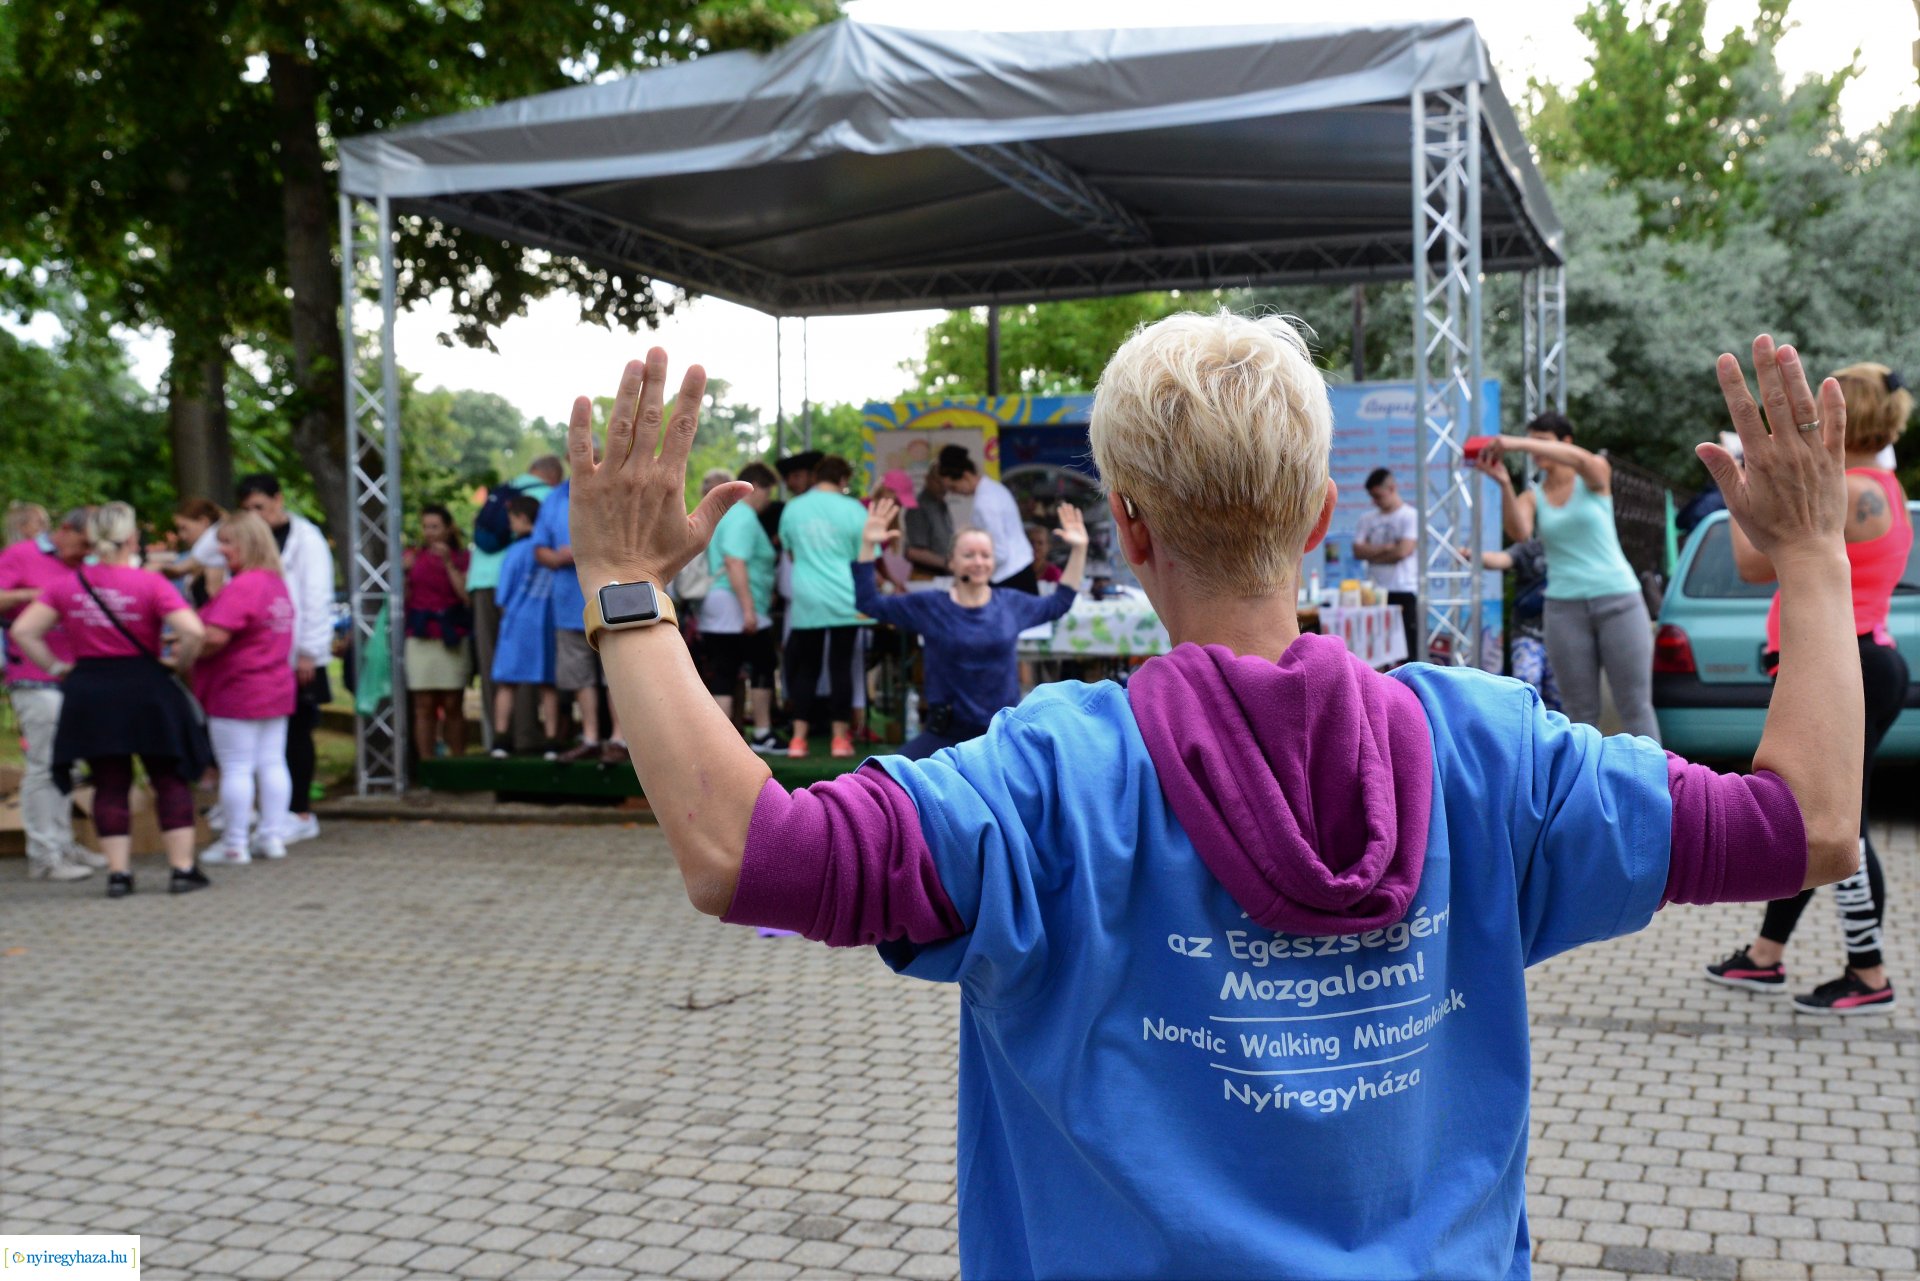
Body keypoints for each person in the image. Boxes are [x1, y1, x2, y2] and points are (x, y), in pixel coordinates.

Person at [562, 327, 1863, 1280]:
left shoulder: (1052, 782)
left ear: (1128, 528)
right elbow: (1804, 825)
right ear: (1311, 520)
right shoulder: (1492, 753)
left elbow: (744, 848)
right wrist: (1810, 553)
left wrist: (628, 584)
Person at [1705, 361, 1911, 1015]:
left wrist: (1743, 482)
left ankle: (1869, 972)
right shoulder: (1872, 483)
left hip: (1847, 663)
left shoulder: (1849, 490)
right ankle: (1767, 954)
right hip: (1850, 660)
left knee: (1836, 824)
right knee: (1808, 813)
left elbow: (1747, 561)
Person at [11, 502, 215, 898]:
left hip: (92, 690)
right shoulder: (150, 584)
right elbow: (193, 632)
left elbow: (22, 631)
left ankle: (119, 875)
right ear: (132, 537)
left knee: (109, 782)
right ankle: (181, 869)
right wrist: (176, 663)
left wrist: (57, 668)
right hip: (146, 687)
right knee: (168, 778)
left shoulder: (68, 584)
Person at [856, 496, 1086, 759]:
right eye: (969, 555)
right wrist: (868, 544)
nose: (978, 562)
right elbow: (869, 602)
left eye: (985, 555)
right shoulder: (931, 606)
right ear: (951, 562)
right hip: (944, 736)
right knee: (885, 779)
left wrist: (1078, 550)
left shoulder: (1010, 604)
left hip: (1001, 736)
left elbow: (1059, 603)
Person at [1479, 415, 1661, 740]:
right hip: (1564, 608)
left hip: (1618, 598)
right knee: (1579, 712)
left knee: (1634, 706)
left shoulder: (1593, 476)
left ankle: (1656, 787)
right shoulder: (1535, 495)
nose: (1535, 450)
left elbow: (1582, 459)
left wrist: (1516, 443)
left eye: (1543, 441)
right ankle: (1586, 789)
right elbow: (1520, 531)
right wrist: (1504, 482)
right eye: (1531, 441)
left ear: (1566, 441)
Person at [1, 508, 101, 880]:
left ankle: (63, 843)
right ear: (64, 531)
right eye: (83, 544)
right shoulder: (22, 555)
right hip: (33, 675)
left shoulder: (86, 564)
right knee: (44, 765)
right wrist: (33, 595)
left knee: (68, 765)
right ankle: (44, 854)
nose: (86, 553)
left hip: (75, 676)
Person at [192, 512, 296, 865]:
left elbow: (215, 636)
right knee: (271, 763)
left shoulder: (244, 586)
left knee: (236, 766)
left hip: (238, 687)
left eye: (227, 542)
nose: (220, 550)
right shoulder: (276, 583)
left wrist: (187, 650)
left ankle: (234, 844)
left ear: (248, 544)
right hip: (276, 685)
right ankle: (272, 836)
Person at [235, 474, 334, 843]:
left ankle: (300, 810)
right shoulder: (254, 542)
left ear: (278, 500)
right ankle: (273, 811)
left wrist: (309, 651)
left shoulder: (305, 540)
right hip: (268, 652)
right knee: (268, 737)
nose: (255, 516)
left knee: (296, 733)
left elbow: (315, 596)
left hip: (300, 653)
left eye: (260, 507)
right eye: (247, 510)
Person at [467, 456, 561, 752]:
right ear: (553, 477)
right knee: (537, 670)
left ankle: (497, 740)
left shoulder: (504, 490)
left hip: (483, 583)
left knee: (497, 669)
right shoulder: (551, 496)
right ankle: (532, 739)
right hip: (532, 599)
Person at [533, 465, 626, 763]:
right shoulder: (554, 498)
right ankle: (589, 737)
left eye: (596, 455)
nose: (588, 459)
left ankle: (620, 740)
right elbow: (539, 550)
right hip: (568, 604)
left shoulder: (618, 490)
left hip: (612, 598)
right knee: (579, 676)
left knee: (617, 672)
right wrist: (558, 556)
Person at [779, 455, 869, 758]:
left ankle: (798, 740)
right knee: (841, 667)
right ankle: (840, 740)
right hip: (846, 595)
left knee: (808, 668)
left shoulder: (793, 507)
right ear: (843, 480)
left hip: (807, 595)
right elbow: (864, 556)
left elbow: (789, 553)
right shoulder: (855, 509)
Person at [699, 462, 783, 756]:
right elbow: (736, 562)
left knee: (724, 670)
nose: (768, 499)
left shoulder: (724, 516)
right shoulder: (744, 516)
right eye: (767, 492)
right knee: (762, 665)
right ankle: (762, 731)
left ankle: (720, 743)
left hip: (716, 603)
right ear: (755, 487)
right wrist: (748, 609)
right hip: (738, 604)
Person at [488, 495, 559, 758]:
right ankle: (552, 743)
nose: (510, 525)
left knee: (506, 683)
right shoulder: (549, 550)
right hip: (545, 625)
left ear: (521, 518)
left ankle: (500, 742)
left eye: (511, 520)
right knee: (547, 685)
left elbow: (502, 596)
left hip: (516, 624)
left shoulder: (515, 552)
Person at [404, 504, 473, 762]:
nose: (430, 532)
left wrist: (447, 563)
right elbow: (405, 600)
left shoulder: (461, 557)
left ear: (447, 528)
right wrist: (405, 573)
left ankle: (457, 762)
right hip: (420, 636)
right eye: (426, 527)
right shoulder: (413, 557)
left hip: (451, 634)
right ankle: (427, 763)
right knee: (423, 705)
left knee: (453, 702)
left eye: (435, 527)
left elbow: (465, 596)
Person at [936, 445, 1036, 592]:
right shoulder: (993, 488)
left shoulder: (985, 503)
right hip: (1019, 569)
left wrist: (968, 572)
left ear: (965, 476)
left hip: (1009, 578)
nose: (955, 493)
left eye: (954, 487)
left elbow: (1000, 552)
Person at [1480, 537, 1559, 712]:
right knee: (1527, 684)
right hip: (1528, 632)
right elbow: (1501, 559)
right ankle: (1526, 733)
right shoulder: (1531, 548)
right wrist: (1475, 556)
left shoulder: (1580, 548)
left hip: (1564, 637)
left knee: (1560, 697)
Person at [1352, 467, 1420, 662]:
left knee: (1407, 651)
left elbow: (1402, 551)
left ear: (1392, 488)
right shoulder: (1367, 519)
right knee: (1376, 652)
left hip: (1403, 590)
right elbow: (1358, 551)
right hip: (1375, 593)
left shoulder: (1409, 516)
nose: (1375, 501)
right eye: (1371, 497)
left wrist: (1372, 553)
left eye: (1378, 496)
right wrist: (1388, 548)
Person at [166, 497, 228, 606]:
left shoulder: (212, 538)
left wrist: (154, 569)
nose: (181, 535)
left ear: (204, 521)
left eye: (184, 528)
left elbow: (178, 570)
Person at [903, 466, 955, 576]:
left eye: (947, 483)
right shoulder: (918, 507)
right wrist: (949, 564)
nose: (944, 487)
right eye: (939, 483)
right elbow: (913, 552)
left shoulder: (940, 503)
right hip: (927, 577)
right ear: (927, 479)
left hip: (944, 575)